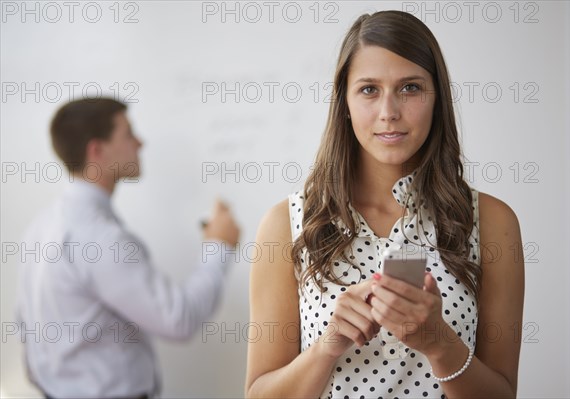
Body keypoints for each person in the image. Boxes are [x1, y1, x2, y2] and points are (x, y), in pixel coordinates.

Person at [245, 10, 524, 399]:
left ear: (437, 99)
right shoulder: (285, 224)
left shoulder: (493, 222)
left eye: (410, 88)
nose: (389, 112)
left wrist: (439, 343)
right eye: (369, 89)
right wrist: (328, 345)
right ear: (344, 101)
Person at [16, 98, 240, 399]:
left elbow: (25, 326)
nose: (140, 143)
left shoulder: (41, 225)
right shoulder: (99, 238)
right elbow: (179, 320)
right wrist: (219, 248)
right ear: (97, 150)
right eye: (128, 134)